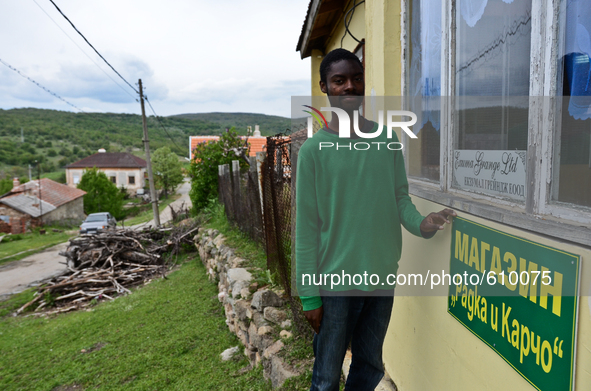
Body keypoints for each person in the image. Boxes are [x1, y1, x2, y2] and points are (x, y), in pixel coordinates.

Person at [295, 48, 456, 391]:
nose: (350, 87)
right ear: (324, 87)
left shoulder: (386, 140)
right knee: (326, 377)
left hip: (381, 277)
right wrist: (309, 295)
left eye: (356, 79)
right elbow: (306, 230)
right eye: (339, 81)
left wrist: (422, 224)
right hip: (335, 284)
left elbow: (399, 198)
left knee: (368, 368)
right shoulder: (312, 153)